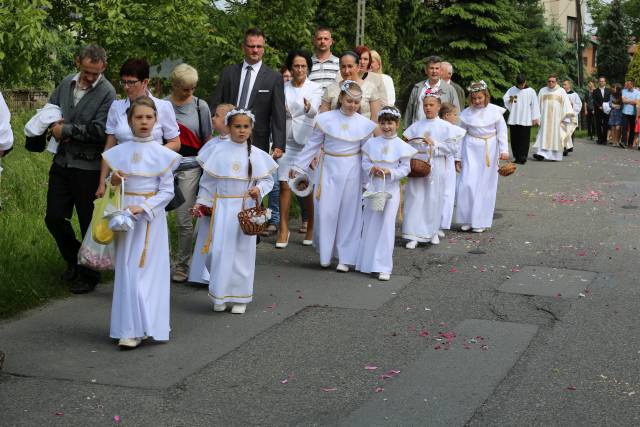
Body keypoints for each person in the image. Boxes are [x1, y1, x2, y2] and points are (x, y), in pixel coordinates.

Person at [102, 96, 181, 348]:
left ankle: (146, 325)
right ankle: (128, 327)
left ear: (156, 120)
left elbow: (167, 191)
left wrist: (145, 207)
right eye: (139, 117)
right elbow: (110, 189)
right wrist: (113, 183)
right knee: (127, 271)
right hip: (125, 218)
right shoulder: (118, 153)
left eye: (149, 117)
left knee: (145, 271)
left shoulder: (162, 155)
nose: (144, 122)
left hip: (149, 220)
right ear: (129, 121)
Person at [45, 44, 116, 294]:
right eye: (86, 71)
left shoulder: (108, 92)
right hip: (62, 162)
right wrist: (53, 123)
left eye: (95, 73)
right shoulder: (66, 83)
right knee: (53, 217)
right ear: (78, 63)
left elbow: (100, 131)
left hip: (88, 167)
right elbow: (50, 109)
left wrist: (65, 130)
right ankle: (75, 257)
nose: (89, 77)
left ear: (103, 68)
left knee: (88, 222)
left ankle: (89, 275)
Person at [192, 109, 276, 314]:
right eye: (237, 126)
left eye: (246, 127)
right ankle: (220, 293)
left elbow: (267, 180)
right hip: (222, 208)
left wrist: (259, 190)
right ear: (229, 128)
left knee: (242, 253)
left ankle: (240, 296)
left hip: (245, 209)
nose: (241, 130)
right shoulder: (217, 152)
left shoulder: (256, 154)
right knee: (217, 252)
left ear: (251, 129)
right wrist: (201, 203)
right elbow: (208, 182)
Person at [292, 81, 376, 271]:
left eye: (356, 102)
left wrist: (367, 179)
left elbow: (366, 154)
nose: (352, 105)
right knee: (326, 211)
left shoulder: (364, 125)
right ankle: (325, 253)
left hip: (352, 169)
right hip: (329, 167)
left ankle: (345, 257)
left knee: (349, 213)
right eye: (349, 101)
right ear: (340, 99)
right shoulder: (325, 119)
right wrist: (298, 166)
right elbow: (313, 144)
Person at [98, 58, 180, 198]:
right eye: (123, 82)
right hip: (122, 174)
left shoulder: (163, 107)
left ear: (145, 82)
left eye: (131, 82)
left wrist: (151, 154)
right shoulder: (116, 107)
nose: (126, 87)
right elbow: (109, 148)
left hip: (151, 175)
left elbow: (175, 143)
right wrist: (101, 182)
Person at [356, 106, 415, 280]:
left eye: (390, 123)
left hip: (390, 188)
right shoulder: (372, 143)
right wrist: (371, 168)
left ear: (397, 124)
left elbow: (406, 168)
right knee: (370, 222)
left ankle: (383, 266)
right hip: (374, 187)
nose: (386, 127)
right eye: (383, 123)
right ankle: (367, 263)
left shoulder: (402, 146)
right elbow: (365, 162)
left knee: (387, 225)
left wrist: (392, 173)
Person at [166, 63, 212, 283]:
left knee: (183, 219)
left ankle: (182, 264)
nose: (190, 92)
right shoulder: (161, 105)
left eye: (193, 87)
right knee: (156, 218)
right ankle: (161, 261)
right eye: (185, 88)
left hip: (190, 167)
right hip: (165, 167)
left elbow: (207, 139)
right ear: (174, 85)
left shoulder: (200, 106)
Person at [208, 28, 285, 157]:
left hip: (258, 140)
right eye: (251, 46)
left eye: (259, 46)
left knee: (253, 175)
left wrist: (278, 144)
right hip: (228, 136)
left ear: (263, 48)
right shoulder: (229, 72)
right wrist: (208, 131)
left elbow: (279, 113)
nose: (255, 50)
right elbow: (215, 102)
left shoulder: (274, 77)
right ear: (243, 47)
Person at [402, 90, 465, 248]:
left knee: (434, 198)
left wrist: (435, 144)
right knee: (415, 197)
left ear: (438, 106)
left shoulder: (445, 127)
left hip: (437, 165)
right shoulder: (416, 125)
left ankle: (433, 230)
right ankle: (413, 233)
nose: (428, 108)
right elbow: (406, 143)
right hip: (419, 164)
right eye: (425, 105)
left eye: (431, 105)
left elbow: (451, 148)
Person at [275, 50, 322, 248]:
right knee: (284, 185)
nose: (300, 69)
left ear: (308, 68)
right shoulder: (281, 87)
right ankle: (283, 229)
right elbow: (277, 112)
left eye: (303, 66)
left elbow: (314, 112)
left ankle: (311, 226)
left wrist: (308, 107)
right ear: (290, 68)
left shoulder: (316, 88)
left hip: (307, 143)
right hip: (286, 141)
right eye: (296, 66)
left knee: (305, 187)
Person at [188, 103, 235, 285]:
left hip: (227, 198)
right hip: (209, 195)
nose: (213, 119)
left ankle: (218, 273)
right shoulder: (213, 145)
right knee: (206, 233)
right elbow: (207, 175)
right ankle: (201, 273)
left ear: (227, 121)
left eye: (216, 115)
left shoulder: (237, 146)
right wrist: (202, 200)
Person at [455, 81, 509, 233]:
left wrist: (504, 150)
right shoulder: (466, 114)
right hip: (470, 149)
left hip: (489, 150)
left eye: (480, 98)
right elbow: (460, 136)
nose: (477, 101)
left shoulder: (495, 112)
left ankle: (480, 220)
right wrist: (457, 157)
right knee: (467, 184)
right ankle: (467, 219)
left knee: (485, 186)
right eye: (474, 99)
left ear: (486, 96)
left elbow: (502, 132)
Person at [320, 51, 381, 120]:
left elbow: (375, 119)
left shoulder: (371, 88)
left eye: (350, 66)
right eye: (343, 67)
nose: (346, 71)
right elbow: (323, 118)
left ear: (358, 67)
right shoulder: (330, 88)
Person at [404, 56, 460, 128]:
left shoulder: (450, 89)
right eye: (431, 68)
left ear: (441, 71)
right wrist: (405, 129)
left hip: (441, 131)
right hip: (418, 130)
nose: (434, 71)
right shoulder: (417, 88)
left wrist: (456, 132)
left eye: (437, 68)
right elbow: (409, 111)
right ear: (426, 70)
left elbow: (457, 112)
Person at [532, 74, 575, 162]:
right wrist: (536, 116)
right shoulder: (542, 91)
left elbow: (566, 105)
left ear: (556, 82)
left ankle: (555, 156)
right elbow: (537, 105)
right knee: (543, 135)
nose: (551, 83)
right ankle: (541, 154)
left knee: (555, 137)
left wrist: (566, 118)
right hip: (545, 119)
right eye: (549, 81)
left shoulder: (561, 91)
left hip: (557, 120)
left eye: (553, 81)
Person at [503, 74, 540, 164]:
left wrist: (535, 117)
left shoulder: (530, 91)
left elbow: (535, 104)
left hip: (526, 118)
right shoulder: (512, 90)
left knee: (524, 138)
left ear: (525, 82)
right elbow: (506, 100)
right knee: (514, 138)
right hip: (514, 117)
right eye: (519, 84)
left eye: (522, 84)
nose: (521, 86)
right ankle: (516, 156)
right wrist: (513, 100)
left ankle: (523, 157)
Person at [438, 102, 461, 234]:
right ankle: (440, 223)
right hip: (443, 160)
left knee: (448, 192)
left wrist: (457, 159)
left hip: (449, 161)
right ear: (446, 115)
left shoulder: (454, 129)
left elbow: (457, 146)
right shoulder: (445, 128)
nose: (456, 117)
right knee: (445, 192)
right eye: (454, 114)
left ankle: (443, 222)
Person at [561, 79, 582, 156]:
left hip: (571, 117)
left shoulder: (574, 95)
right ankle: (564, 148)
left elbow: (579, 104)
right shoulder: (561, 94)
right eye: (563, 84)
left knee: (569, 132)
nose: (563, 86)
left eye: (565, 84)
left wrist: (572, 105)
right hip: (563, 117)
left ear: (569, 85)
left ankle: (568, 147)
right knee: (563, 132)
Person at [621, 79, 639, 148]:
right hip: (625, 112)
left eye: (628, 84)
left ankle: (630, 143)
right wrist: (632, 101)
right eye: (627, 84)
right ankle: (623, 142)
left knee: (632, 128)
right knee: (624, 127)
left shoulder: (637, 92)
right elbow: (623, 101)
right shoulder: (624, 91)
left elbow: (636, 102)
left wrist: (627, 101)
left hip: (633, 113)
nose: (627, 85)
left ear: (632, 85)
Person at [593, 76, 611, 145]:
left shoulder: (608, 90)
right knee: (598, 124)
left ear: (605, 82)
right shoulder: (595, 91)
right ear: (599, 82)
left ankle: (604, 139)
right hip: (598, 110)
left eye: (603, 81)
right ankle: (599, 139)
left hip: (606, 110)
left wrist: (608, 107)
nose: (601, 82)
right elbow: (594, 100)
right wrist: (599, 106)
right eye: (600, 81)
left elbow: (610, 99)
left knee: (605, 125)